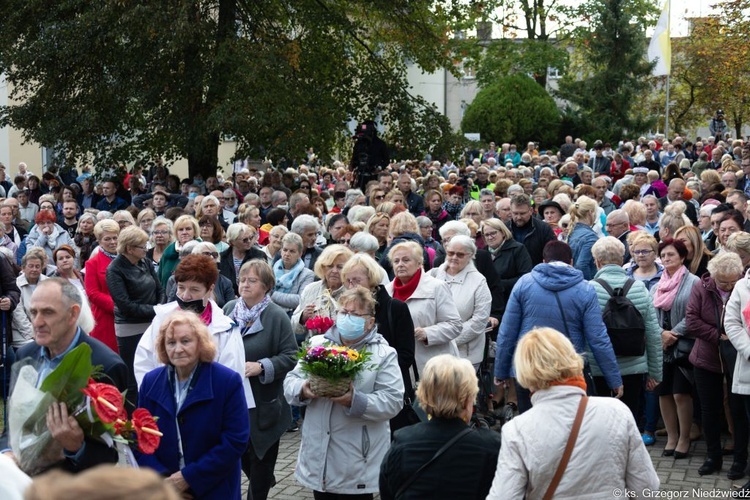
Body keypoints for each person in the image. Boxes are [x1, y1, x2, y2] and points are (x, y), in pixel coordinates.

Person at [486, 327, 659, 499]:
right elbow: (646, 487)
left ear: (525, 372)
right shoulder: (617, 411)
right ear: (572, 357)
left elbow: (504, 496)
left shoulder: (517, 430)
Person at [284, 286, 404, 499]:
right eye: (344, 312)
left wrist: (354, 401)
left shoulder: (383, 354)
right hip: (318, 458)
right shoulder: (316, 345)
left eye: (356, 314)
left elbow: (392, 401)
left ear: (369, 321)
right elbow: (291, 381)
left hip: (357, 461)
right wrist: (303, 390)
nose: (348, 318)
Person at [494, 241, 623, 413]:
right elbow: (598, 338)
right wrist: (614, 379)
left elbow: (507, 331)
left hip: (529, 367)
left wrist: (501, 370)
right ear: (571, 261)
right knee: (569, 425)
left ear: (543, 261)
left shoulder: (524, 283)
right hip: (567, 369)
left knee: (530, 424)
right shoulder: (585, 289)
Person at [14, 278, 127, 472]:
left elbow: (111, 453)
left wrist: (77, 447)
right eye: (33, 312)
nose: (37, 322)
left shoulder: (106, 366)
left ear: (73, 314)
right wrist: (8, 450)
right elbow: (13, 421)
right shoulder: (25, 355)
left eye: (48, 312)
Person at [136, 310, 250, 499]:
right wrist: (165, 482)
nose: (178, 349)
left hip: (214, 489)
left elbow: (235, 441)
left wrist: (187, 479)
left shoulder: (226, 381)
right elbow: (140, 438)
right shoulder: (150, 382)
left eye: (186, 341)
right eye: (171, 343)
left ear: (200, 343)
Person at [133, 254, 253, 409]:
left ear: (210, 289)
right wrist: (157, 397)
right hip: (164, 405)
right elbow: (144, 361)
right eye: (181, 287)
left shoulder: (225, 329)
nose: (185, 296)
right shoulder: (162, 320)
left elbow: (231, 376)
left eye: (194, 289)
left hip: (207, 409)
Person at [223, 260, 298, 500]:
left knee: (261, 459)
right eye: (243, 279)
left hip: (265, 404)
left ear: (266, 286)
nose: (245, 284)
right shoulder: (229, 309)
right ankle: (265, 477)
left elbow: (291, 356)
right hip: (233, 401)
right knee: (241, 453)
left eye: (252, 281)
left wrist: (262, 366)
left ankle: (261, 484)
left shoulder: (276, 316)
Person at [379, 354, 502, 499]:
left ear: (424, 396)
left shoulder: (401, 445)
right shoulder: (491, 446)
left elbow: (388, 492)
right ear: (467, 399)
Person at [686, 252, 747, 477]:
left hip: (738, 360)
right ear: (713, 276)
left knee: (738, 411)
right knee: (709, 410)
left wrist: (734, 336)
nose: (729, 286)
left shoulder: (743, 289)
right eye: (724, 282)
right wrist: (719, 335)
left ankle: (740, 460)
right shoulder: (702, 287)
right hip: (706, 358)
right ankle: (713, 457)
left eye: (733, 281)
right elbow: (692, 319)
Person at [341, 253, 416, 430]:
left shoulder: (395, 308)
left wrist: (371, 369)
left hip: (388, 389)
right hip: (352, 391)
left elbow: (406, 354)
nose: (351, 286)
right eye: (348, 281)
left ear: (372, 280)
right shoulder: (345, 309)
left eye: (356, 280)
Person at [590, 237, 662, 418]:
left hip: (599, 367)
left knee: (601, 421)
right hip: (634, 367)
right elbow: (653, 333)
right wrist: (655, 373)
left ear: (597, 261)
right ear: (622, 259)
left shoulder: (588, 289)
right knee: (628, 419)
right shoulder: (638, 288)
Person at [652, 238, 700, 459]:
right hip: (661, 344)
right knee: (664, 393)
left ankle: (684, 437)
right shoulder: (656, 285)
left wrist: (674, 334)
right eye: (663, 256)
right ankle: (671, 436)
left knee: (681, 393)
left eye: (671, 255)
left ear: (682, 257)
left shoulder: (694, 282)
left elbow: (695, 313)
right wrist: (661, 333)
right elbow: (649, 315)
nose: (666, 259)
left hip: (684, 344)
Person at [106, 226, 162, 407]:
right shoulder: (114, 269)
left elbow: (159, 288)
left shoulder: (144, 262)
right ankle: (133, 420)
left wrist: (159, 307)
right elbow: (125, 305)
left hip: (152, 323)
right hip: (130, 328)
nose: (146, 249)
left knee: (154, 370)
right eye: (142, 246)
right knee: (133, 378)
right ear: (129, 248)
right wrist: (156, 310)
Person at [385, 241, 461, 373]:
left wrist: (427, 333)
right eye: (396, 261)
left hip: (434, 365)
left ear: (419, 263)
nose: (400, 264)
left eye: (406, 260)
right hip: (399, 365)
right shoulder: (387, 291)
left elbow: (455, 325)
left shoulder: (437, 287)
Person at [429, 235, 490, 369]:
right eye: (451, 253)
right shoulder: (432, 275)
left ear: (471, 255)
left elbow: (480, 320)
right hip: (432, 351)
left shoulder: (479, 281)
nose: (454, 257)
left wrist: (448, 338)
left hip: (465, 356)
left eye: (460, 255)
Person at [290, 244, 354, 341]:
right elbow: (294, 327)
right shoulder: (311, 289)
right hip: (313, 349)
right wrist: (302, 317)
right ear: (322, 267)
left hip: (343, 350)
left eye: (340, 267)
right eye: (330, 266)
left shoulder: (353, 293)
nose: (334, 271)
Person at [84, 220, 120, 353]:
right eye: (107, 239)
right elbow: (92, 293)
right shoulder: (92, 263)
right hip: (105, 319)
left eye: (115, 237)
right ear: (99, 241)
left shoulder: (129, 258)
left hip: (130, 316)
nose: (112, 242)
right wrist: (118, 305)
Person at [270, 232, 315, 316]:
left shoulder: (307, 274)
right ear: (281, 250)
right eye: (285, 250)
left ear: (300, 254)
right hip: (269, 314)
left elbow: (300, 300)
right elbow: (262, 295)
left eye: (292, 251)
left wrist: (273, 294)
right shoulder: (270, 270)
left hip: (291, 316)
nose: (287, 254)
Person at [508, 193, 556, 266]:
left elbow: (552, 254)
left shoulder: (543, 229)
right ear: (511, 211)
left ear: (531, 210)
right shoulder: (504, 229)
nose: (519, 217)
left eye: (522, 213)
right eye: (515, 213)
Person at [219, 222, 266, 295]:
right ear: (232, 242)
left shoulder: (259, 256)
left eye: (250, 238)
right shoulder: (222, 258)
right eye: (245, 240)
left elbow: (263, 280)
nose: (249, 241)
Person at [157, 214, 199, 286]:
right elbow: (159, 280)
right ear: (176, 233)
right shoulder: (167, 254)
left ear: (195, 232)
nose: (184, 232)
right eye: (180, 229)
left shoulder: (202, 250)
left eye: (188, 229)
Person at [567, 195, 599, 280]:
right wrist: (588, 284)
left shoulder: (572, 232)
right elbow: (581, 265)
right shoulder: (590, 237)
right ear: (590, 212)